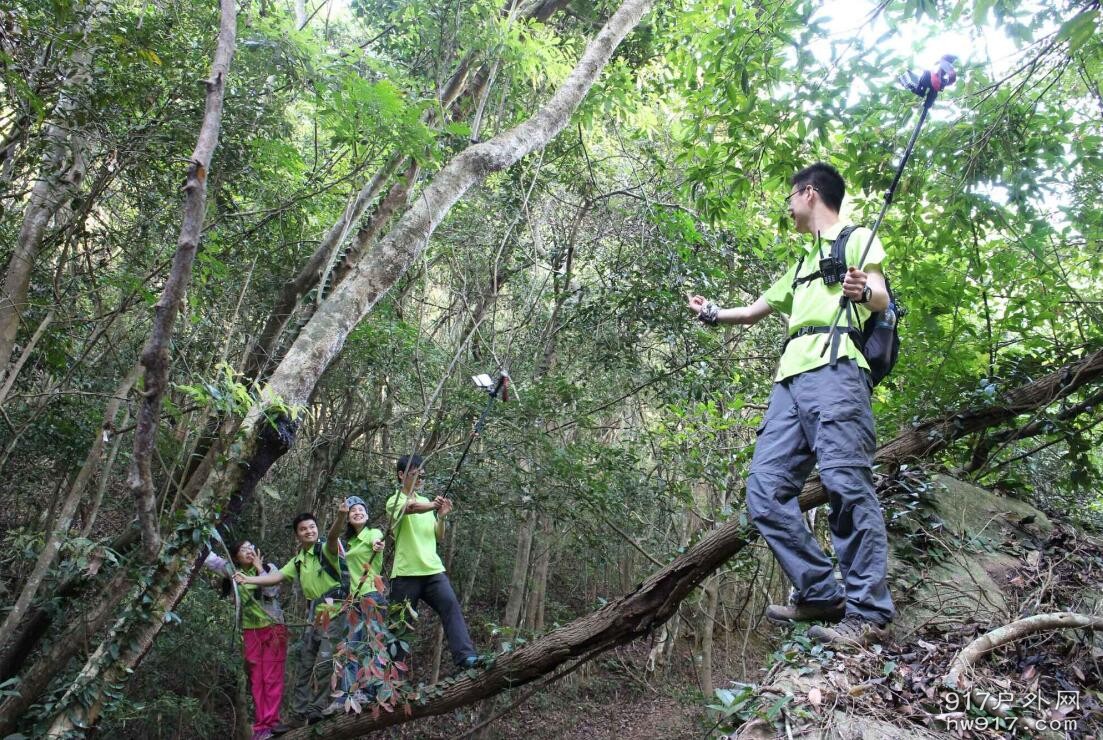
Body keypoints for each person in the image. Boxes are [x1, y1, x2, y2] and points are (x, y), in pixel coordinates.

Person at [688, 162, 895, 647]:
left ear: (808, 193)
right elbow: (753, 311)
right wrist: (711, 313)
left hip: (837, 370)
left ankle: (868, 614)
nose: (788, 206)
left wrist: (863, 290)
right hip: (789, 383)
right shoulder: (801, 264)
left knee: (846, 483)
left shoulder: (856, 238)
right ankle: (821, 590)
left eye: (790, 197)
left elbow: (881, 295)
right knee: (763, 492)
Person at [235, 512, 347, 724]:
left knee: (325, 661)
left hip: (334, 608)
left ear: (317, 528)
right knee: (305, 661)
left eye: (312, 527)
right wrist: (247, 577)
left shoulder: (326, 549)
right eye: (303, 529)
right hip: (313, 611)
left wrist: (341, 516)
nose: (309, 531)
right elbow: (275, 577)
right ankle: (298, 713)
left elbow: (333, 537)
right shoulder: (298, 561)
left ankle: (317, 708)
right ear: (297, 535)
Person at [385, 454, 477, 669]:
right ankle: (388, 682)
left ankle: (466, 657)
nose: (420, 479)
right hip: (406, 573)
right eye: (416, 474)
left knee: (450, 606)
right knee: (399, 628)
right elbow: (409, 508)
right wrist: (432, 506)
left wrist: (442, 516)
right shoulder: (394, 500)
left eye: (422, 475)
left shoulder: (426, 502)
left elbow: (438, 536)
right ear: (401, 475)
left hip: (433, 570)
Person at [204, 540, 289, 740]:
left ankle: (272, 722)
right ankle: (261, 727)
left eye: (251, 547)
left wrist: (259, 569)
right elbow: (211, 560)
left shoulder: (269, 568)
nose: (249, 551)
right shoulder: (233, 571)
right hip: (251, 631)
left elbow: (271, 591)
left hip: (273, 628)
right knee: (257, 679)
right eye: (243, 549)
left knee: (271, 676)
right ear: (235, 556)